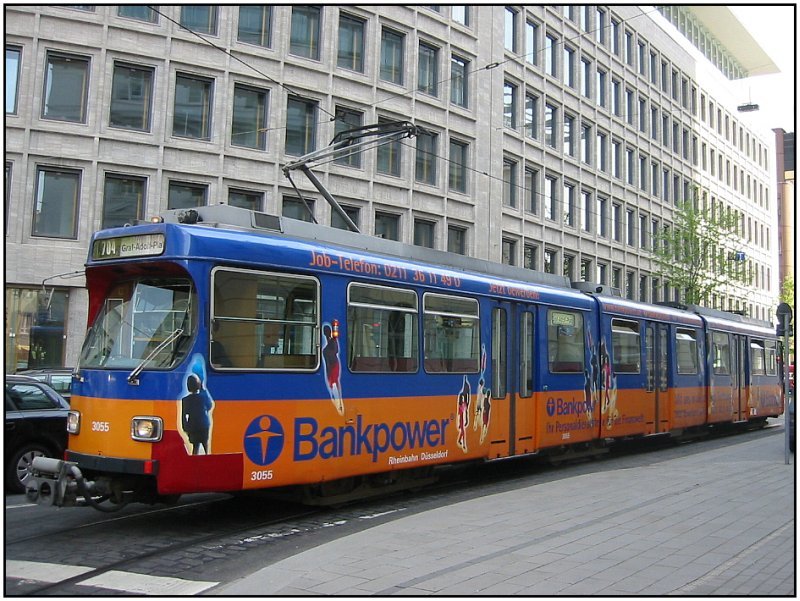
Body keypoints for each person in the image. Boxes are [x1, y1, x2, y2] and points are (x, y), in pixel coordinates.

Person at [181, 373, 213, 454]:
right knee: (205, 445)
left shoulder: (185, 400)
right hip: (204, 425)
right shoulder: (203, 397)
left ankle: (194, 463)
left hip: (192, 426)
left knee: (195, 447)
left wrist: (185, 427)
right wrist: (203, 390)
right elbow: (209, 406)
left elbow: (184, 415)